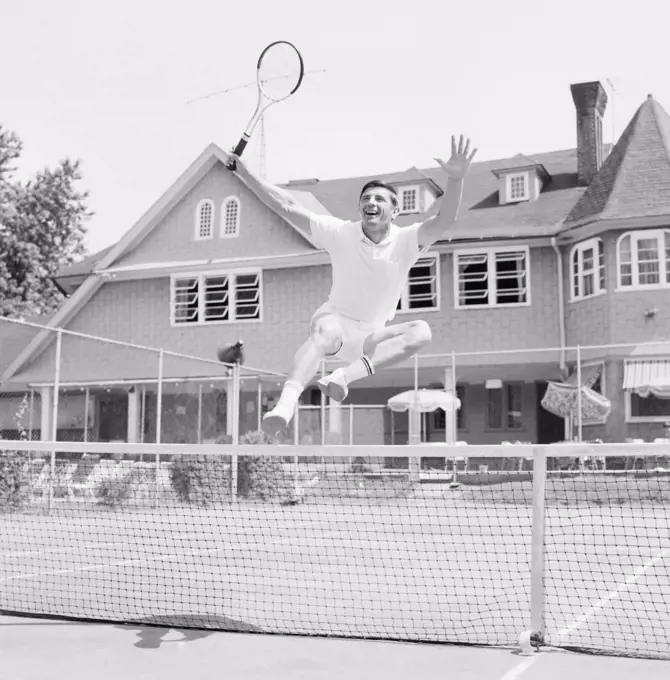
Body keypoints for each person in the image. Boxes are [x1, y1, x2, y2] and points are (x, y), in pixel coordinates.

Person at [227, 135, 476, 436]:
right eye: (366, 199)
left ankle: (343, 376)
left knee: (421, 330)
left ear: (395, 212)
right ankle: (286, 404)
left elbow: (445, 219)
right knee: (326, 332)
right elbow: (287, 205)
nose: (371, 202)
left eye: (379, 199)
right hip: (335, 319)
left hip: (369, 336)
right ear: (359, 208)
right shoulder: (340, 232)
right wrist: (244, 172)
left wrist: (456, 181)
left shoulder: (407, 240)